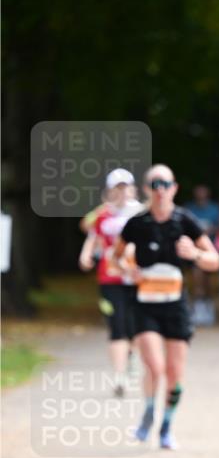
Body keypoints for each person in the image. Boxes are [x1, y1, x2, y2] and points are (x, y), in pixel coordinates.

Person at [113, 164, 219, 449]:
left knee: (174, 372)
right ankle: (148, 413)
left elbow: (215, 260)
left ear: (174, 188)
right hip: (146, 306)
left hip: (175, 306)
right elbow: (116, 257)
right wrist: (128, 269)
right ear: (147, 190)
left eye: (165, 184)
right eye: (154, 184)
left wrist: (195, 253)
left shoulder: (185, 221)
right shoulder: (137, 223)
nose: (160, 190)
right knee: (155, 367)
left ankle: (166, 425)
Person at [78, 168, 143, 396]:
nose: (123, 192)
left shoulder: (141, 213)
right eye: (118, 188)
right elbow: (89, 231)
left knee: (136, 325)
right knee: (117, 324)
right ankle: (119, 377)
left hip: (136, 278)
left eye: (126, 187)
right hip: (110, 277)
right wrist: (85, 255)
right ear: (110, 191)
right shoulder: (103, 214)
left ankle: (133, 356)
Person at [184, 185, 219, 326]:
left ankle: (208, 306)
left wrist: (210, 229)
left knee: (209, 282)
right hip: (193, 250)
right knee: (196, 277)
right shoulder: (189, 208)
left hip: (212, 250)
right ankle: (198, 307)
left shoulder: (215, 209)